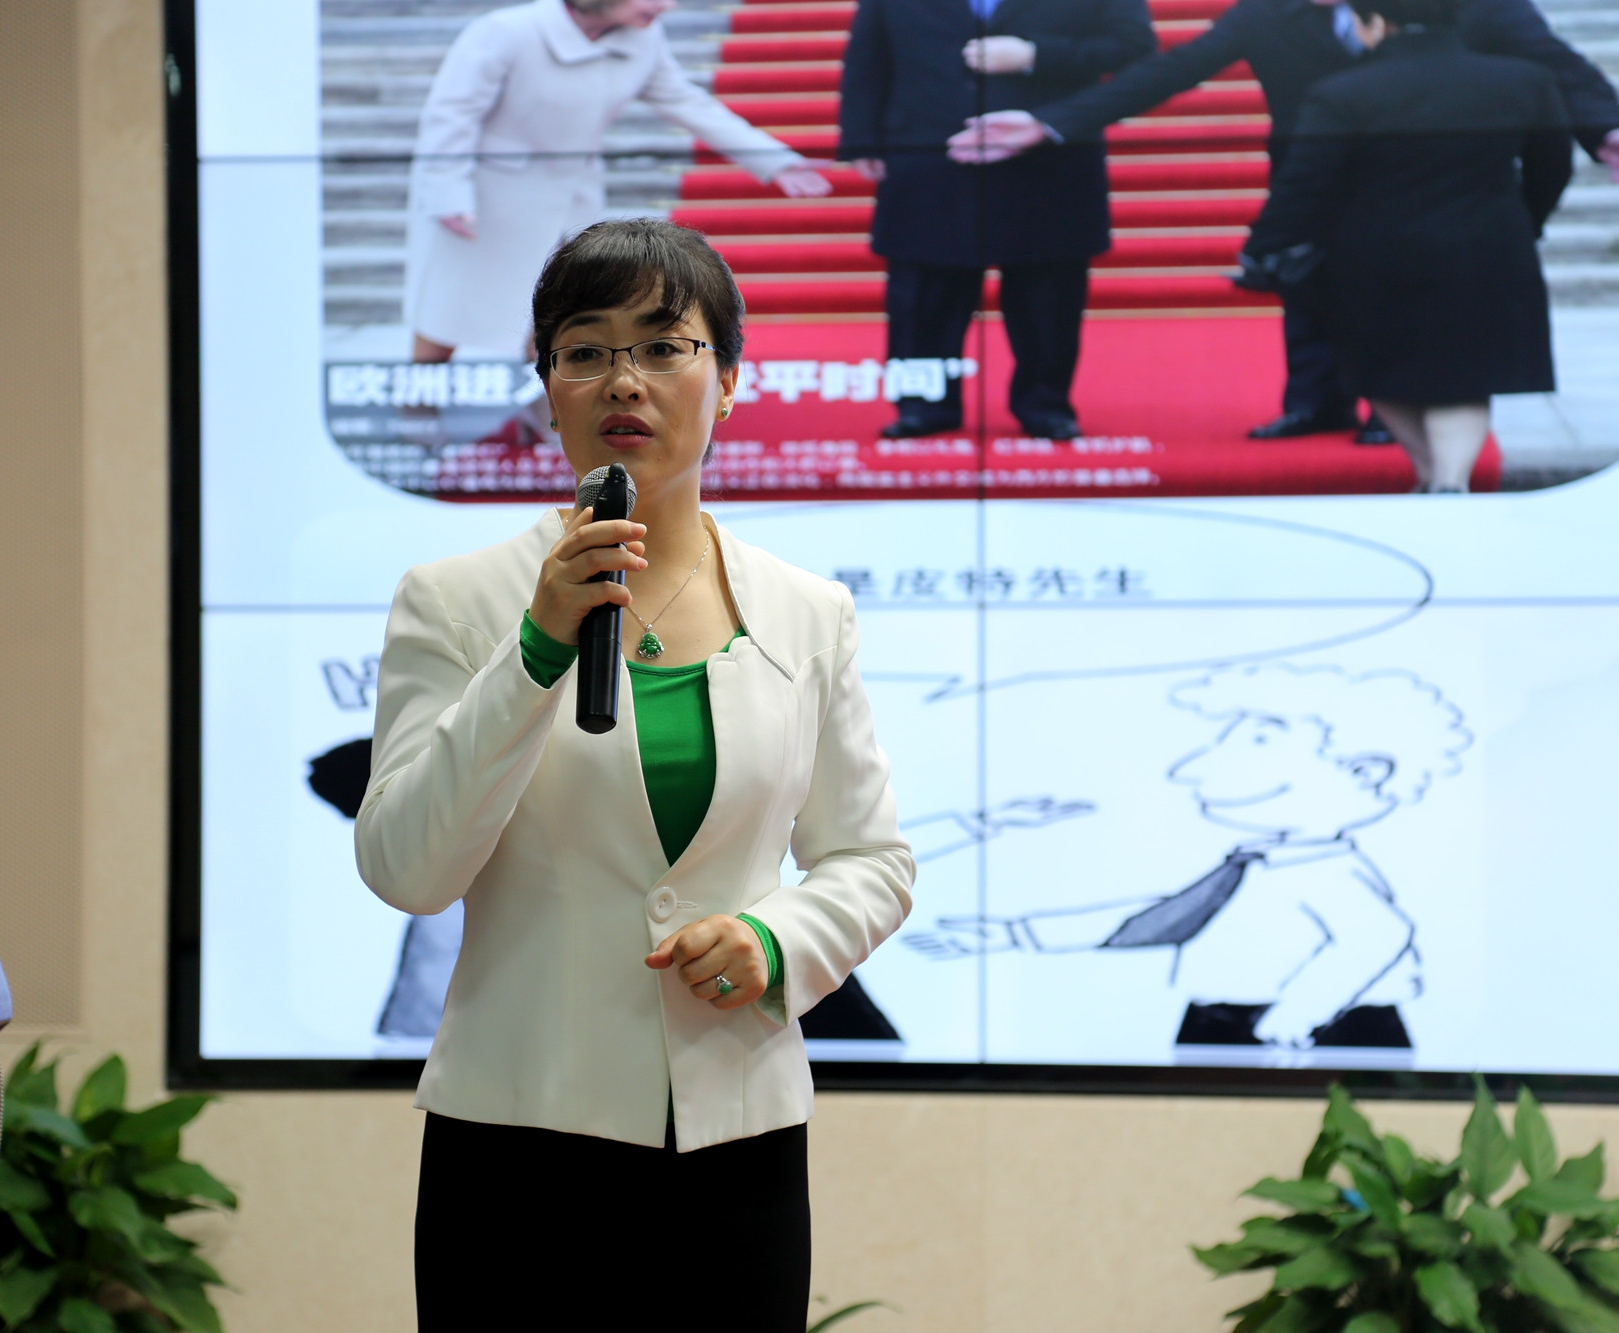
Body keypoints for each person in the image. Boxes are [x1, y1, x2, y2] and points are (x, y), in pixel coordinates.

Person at [357, 218, 915, 1325]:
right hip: (514, 1144)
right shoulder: (454, 600)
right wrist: (534, 651)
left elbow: (871, 860)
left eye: (664, 346)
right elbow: (407, 867)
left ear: (729, 380)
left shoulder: (810, 612)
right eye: (585, 350)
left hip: (736, 1145)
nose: (624, 379)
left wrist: (774, 940)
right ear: (547, 389)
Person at [946, 0, 1619, 444]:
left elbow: (1551, 63)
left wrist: (1603, 128)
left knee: (1404, 295)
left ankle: (1392, 408)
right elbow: (1170, 72)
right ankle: (1317, 403)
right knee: (1310, 285)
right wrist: (1051, 123)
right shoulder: (1267, 11)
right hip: (1315, 170)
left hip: (1423, 173)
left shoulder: (1457, 5)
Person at [905, 663, 1471, 1052]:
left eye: (1259, 742)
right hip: (1222, 1022)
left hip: (1319, 1032)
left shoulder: (1327, 873)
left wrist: (1296, 1017)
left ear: (1363, 771)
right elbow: (1167, 916)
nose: (1194, 769)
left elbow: (1376, 936)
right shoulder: (1254, 866)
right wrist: (1019, 934)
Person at [1240, 0, 1574, 492]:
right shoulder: (1522, 80)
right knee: (1466, 376)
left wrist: (1264, 245)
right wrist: (1523, 222)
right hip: (1486, 247)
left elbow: (1305, 183)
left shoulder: (1341, 92)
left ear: (1377, 23)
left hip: (1375, 255)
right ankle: (1450, 481)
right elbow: (1554, 165)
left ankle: (1430, 477)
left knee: (1382, 372)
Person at [405, 0, 832, 363]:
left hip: (573, 196)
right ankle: (417, 411)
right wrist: (447, 191)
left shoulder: (643, 38)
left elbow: (689, 103)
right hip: (484, 198)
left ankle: (546, 413)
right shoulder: (507, 31)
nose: (667, 6)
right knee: (447, 312)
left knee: (558, 314)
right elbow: (453, 114)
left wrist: (774, 160)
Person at [837, 0, 1157, 441]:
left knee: (1048, 294)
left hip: (1048, 154)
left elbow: (1134, 46)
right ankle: (922, 405)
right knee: (923, 294)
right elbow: (869, 54)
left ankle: (1044, 404)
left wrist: (1035, 54)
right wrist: (861, 138)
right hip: (927, 149)